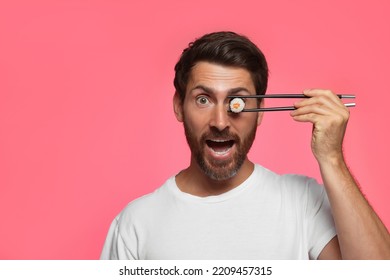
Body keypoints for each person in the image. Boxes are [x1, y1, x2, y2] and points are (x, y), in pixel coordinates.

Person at [100, 31, 390, 259]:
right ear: (179, 106)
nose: (220, 121)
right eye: (203, 99)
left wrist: (332, 159)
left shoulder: (301, 203)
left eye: (236, 101)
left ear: (261, 110)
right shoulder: (136, 223)